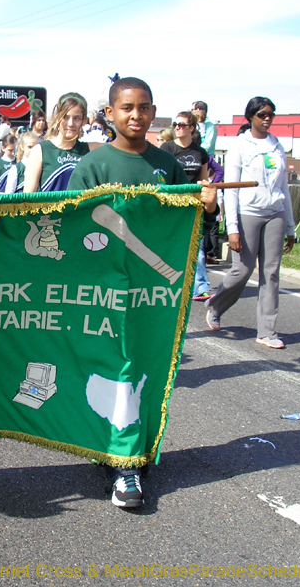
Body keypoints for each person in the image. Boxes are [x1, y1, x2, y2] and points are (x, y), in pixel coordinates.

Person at [68, 77, 215, 509]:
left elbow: (185, 232)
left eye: (145, 107)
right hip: (103, 291)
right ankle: (125, 465)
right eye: (127, 107)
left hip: (153, 294)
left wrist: (207, 208)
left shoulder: (167, 165)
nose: (137, 115)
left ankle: (127, 449)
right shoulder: (91, 167)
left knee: (143, 369)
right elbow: (74, 230)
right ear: (110, 114)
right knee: (118, 367)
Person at [205, 96, 295, 349]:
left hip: (275, 212)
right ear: (251, 117)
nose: (267, 119)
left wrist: (289, 225)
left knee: (271, 273)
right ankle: (215, 305)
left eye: (270, 114)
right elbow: (230, 189)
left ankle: (267, 331)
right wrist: (232, 229)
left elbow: (283, 187)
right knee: (242, 270)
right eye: (262, 114)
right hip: (248, 213)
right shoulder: (240, 145)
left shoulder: (276, 145)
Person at [160, 111, 215, 300]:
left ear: (192, 128)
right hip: (172, 204)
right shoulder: (166, 149)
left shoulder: (199, 153)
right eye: (175, 124)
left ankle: (199, 287)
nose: (176, 128)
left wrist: (206, 194)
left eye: (181, 125)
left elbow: (204, 177)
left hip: (192, 204)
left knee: (196, 246)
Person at [24, 93, 99, 193]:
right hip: (50, 208)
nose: (70, 123)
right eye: (65, 117)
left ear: (84, 120)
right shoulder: (40, 151)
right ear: (57, 117)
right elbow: (28, 197)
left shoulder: (92, 149)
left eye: (76, 118)